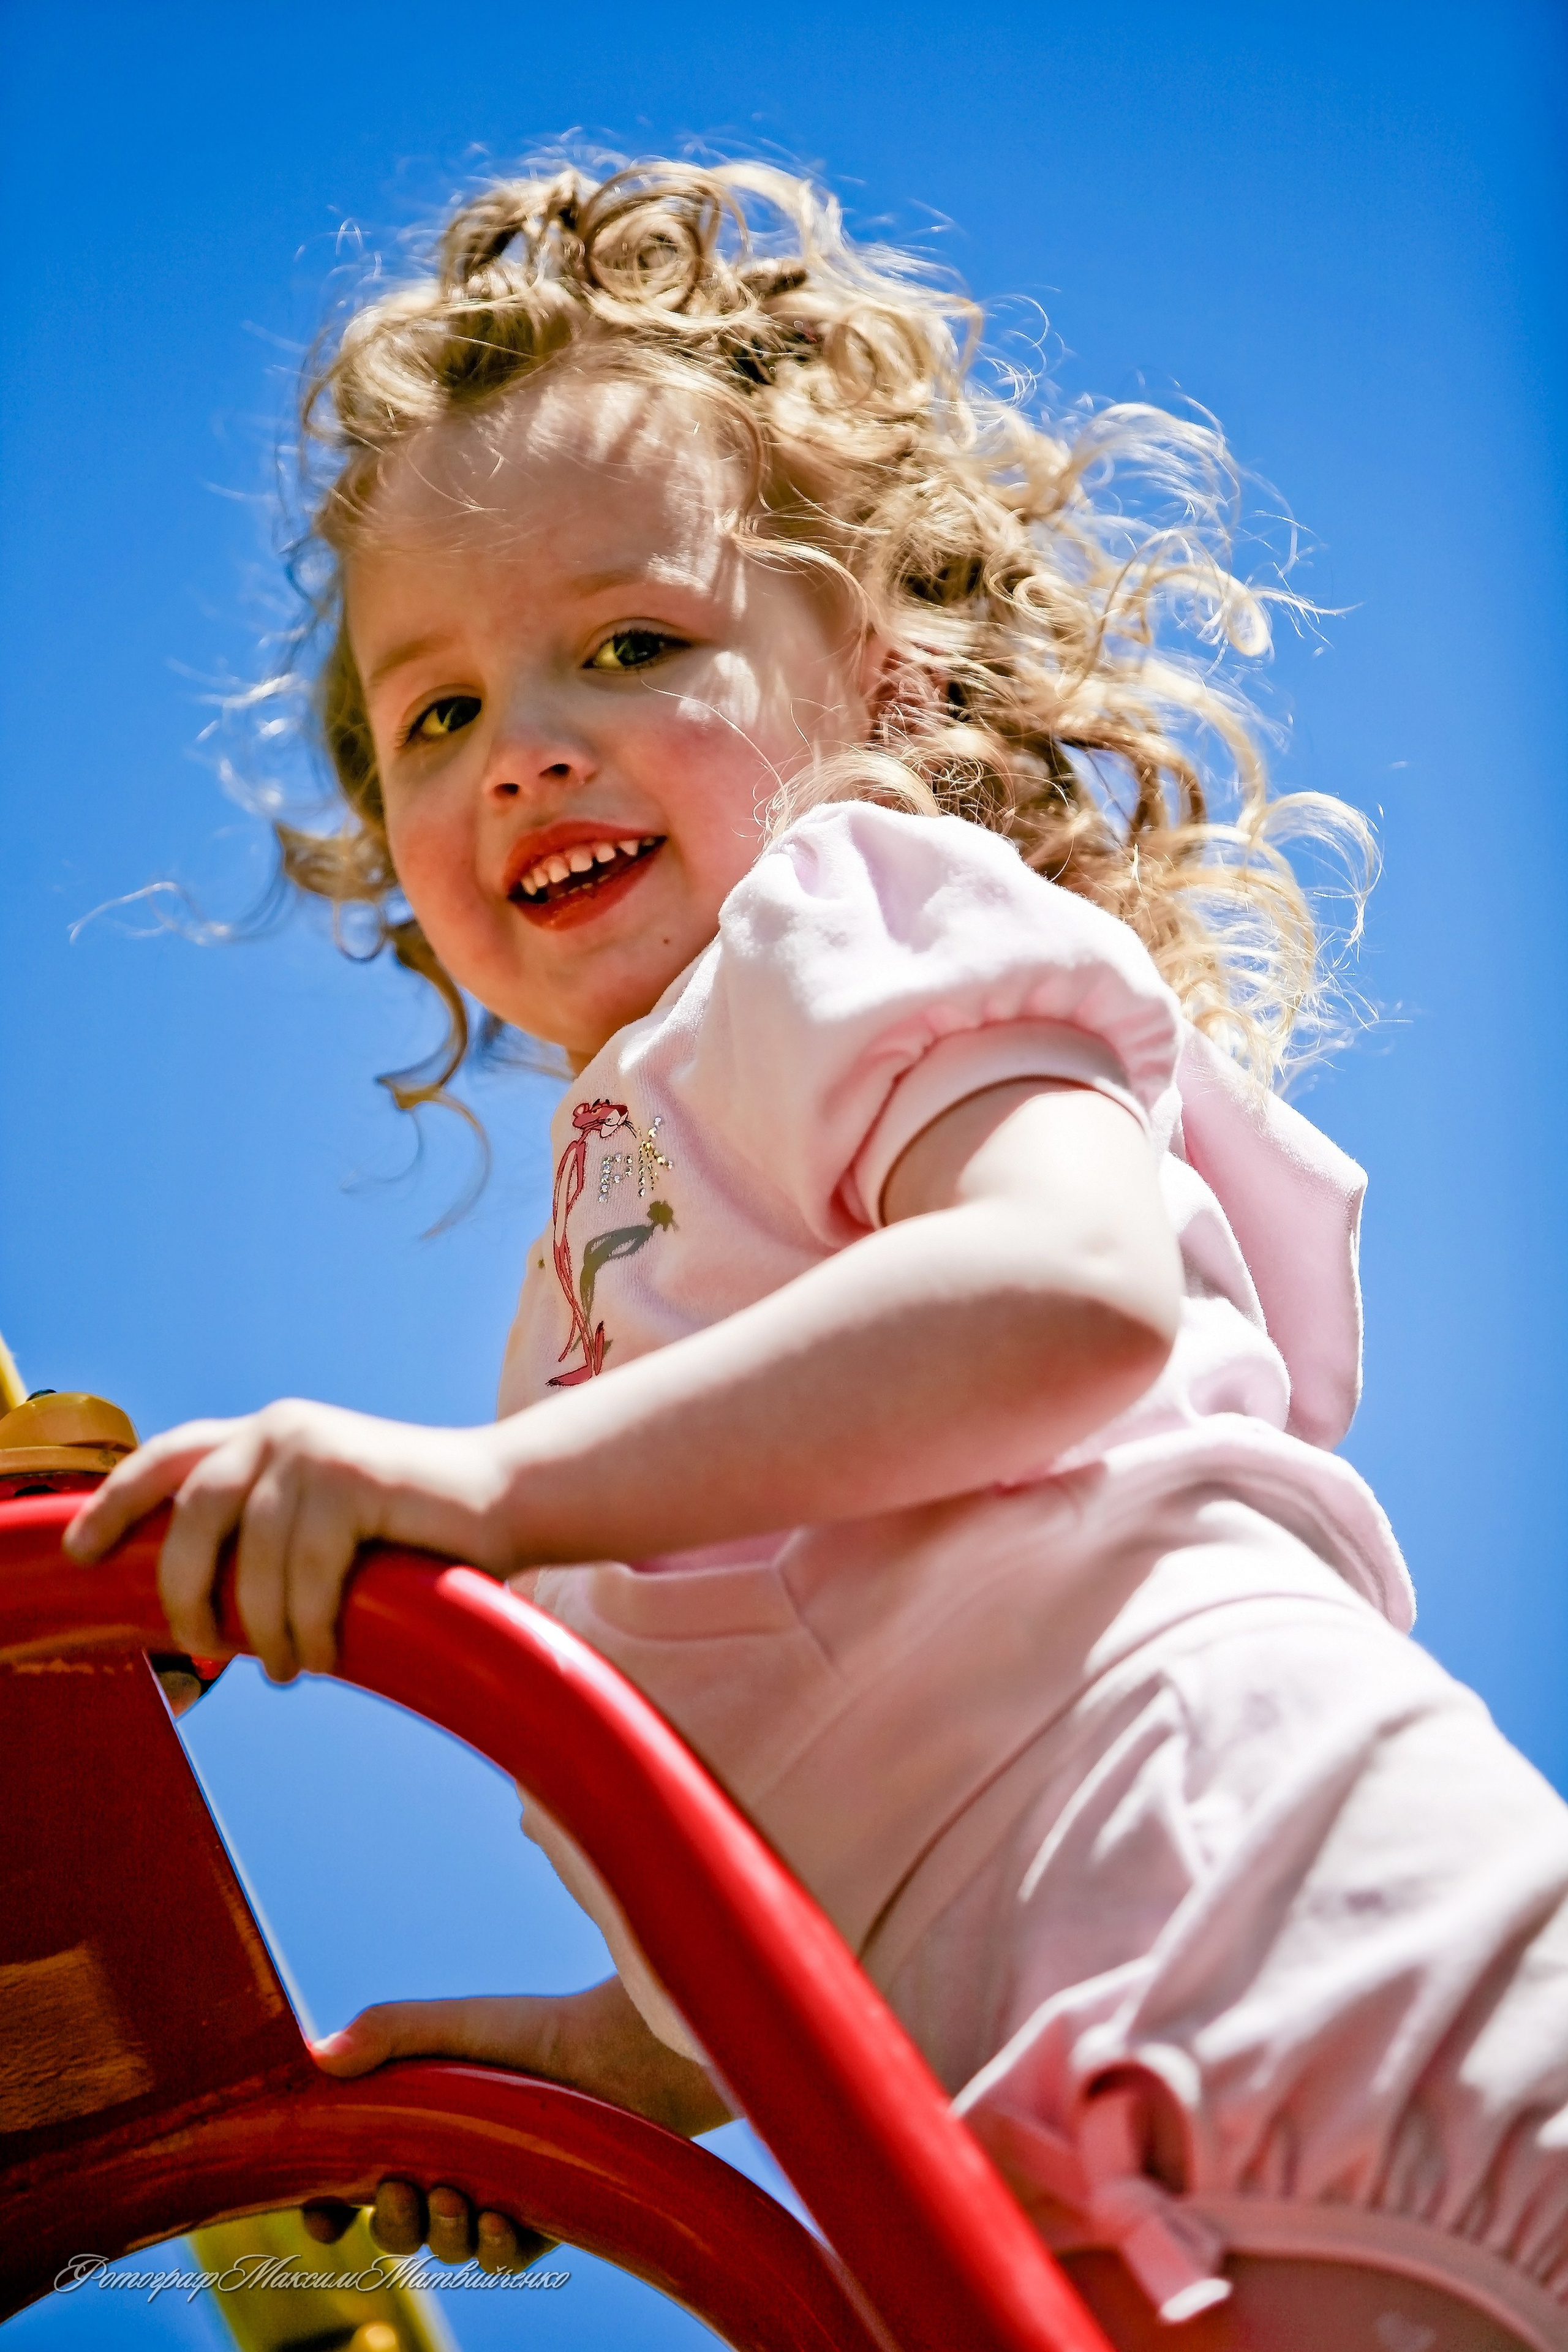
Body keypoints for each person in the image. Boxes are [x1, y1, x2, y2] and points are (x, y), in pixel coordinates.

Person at [67, 163, 1568, 2341]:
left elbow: (1065, 1296)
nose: (530, 750)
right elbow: (870, 1775)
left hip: (1301, 1963)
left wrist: (485, 1502)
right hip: (1083, 2119)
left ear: (865, 669)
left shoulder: (850, 926)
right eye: (439, 713)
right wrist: (612, 2056)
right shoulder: (623, 1291)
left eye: (632, 645)